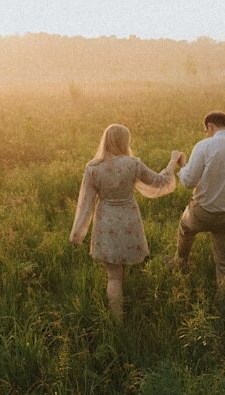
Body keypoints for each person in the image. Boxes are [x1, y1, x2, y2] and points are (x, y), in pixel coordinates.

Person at [70, 124, 181, 319]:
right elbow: (160, 182)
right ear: (125, 141)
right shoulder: (133, 164)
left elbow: (85, 204)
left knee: (113, 275)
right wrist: (173, 161)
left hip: (106, 220)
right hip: (129, 219)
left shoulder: (93, 168)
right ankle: (126, 310)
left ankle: (117, 321)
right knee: (124, 266)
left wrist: (77, 234)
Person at [171, 111, 225, 300]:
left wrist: (182, 164)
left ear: (210, 126)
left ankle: (180, 261)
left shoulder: (204, 146)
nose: (206, 133)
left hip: (203, 213)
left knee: (185, 227)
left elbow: (188, 181)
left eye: (206, 130)